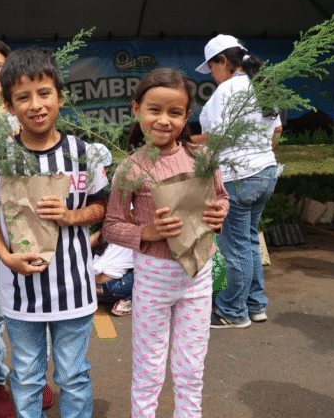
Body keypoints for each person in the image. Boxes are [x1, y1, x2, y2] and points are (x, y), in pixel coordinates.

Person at [0, 47, 109, 418]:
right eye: (23, 97)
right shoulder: (0, 157)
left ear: (61, 97)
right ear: (8, 103)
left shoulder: (85, 154)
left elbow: (102, 207)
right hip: (21, 297)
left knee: (73, 375)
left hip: (74, 291)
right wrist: (6, 258)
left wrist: (72, 215)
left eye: (44, 93)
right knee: (29, 377)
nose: (35, 105)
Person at [102, 68, 228, 418]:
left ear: (188, 116)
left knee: (191, 367)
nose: (164, 120)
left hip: (199, 275)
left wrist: (220, 215)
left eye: (175, 113)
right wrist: (147, 232)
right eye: (154, 109)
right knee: (149, 366)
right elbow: (111, 225)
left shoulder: (202, 159)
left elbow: (221, 197)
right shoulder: (131, 168)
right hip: (153, 277)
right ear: (136, 109)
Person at [192, 35, 281, 328]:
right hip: (266, 172)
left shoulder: (227, 90)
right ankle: (255, 305)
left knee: (235, 247)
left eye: (213, 67)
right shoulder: (262, 85)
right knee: (250, 241)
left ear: (222, 61)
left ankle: (232, 311)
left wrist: (185, 141)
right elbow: (276, 132)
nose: (213, 74)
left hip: (238, 177)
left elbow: (220, 138)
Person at [90, 229, 134, 316]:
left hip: (93, 285)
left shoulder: (109, 230)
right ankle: (127, 302)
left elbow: (87, 242)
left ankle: (99, 296)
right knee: (147, 271)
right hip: (111, 289)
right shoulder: (136, 235)